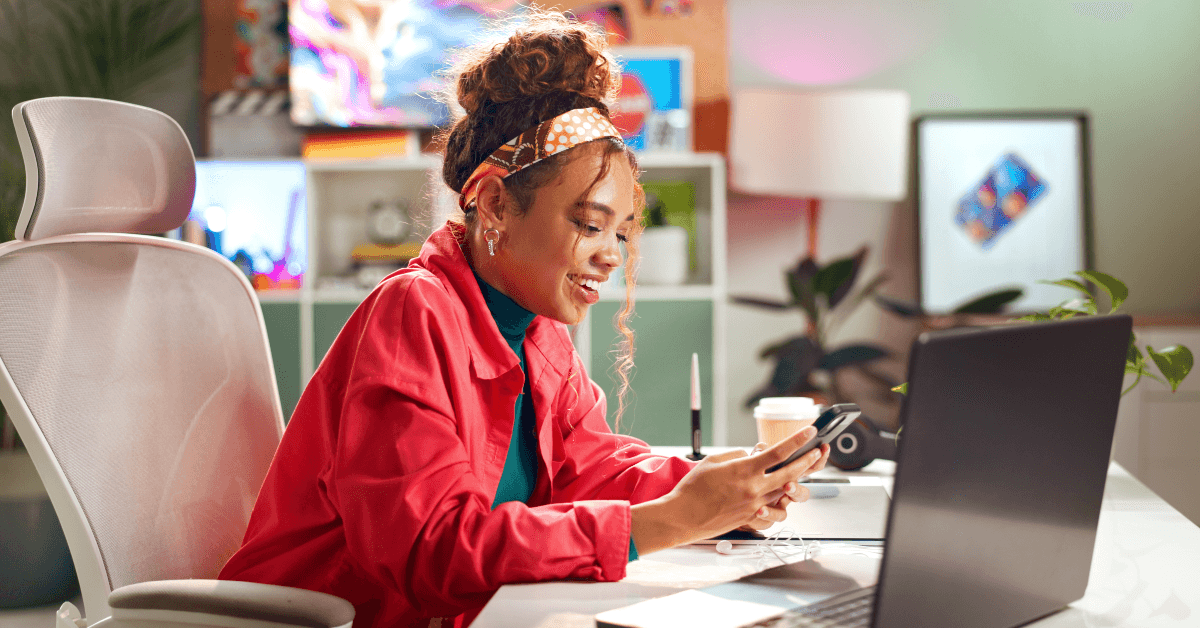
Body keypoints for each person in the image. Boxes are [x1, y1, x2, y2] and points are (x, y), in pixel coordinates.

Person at [219, 10, 830, 628]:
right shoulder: (413, 311)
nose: (610, 255)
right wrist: (674, 518)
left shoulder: (539, 330)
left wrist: (713, 484)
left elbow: (588, 469)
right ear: (493, 203)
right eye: (589, 225)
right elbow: (432, 553)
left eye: (621, 232)